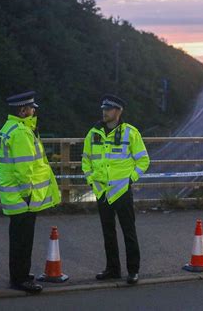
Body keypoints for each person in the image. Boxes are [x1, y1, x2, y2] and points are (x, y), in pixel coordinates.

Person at [0, 91, 61, 293]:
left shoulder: (9, 128)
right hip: (22, 197)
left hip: (13, 195)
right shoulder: (21, 133)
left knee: (18, 239)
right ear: (23, 110)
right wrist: (28, 195)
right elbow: (24, 170)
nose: (34, 111)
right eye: (31, 108)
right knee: (22, 241)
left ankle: (20, 274)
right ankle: (21, 279)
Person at [82, 94, 150, 284]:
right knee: (108, 233)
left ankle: (133, 271)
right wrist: (91, 181)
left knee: (129, 232)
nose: (104, 112)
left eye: (108, 109)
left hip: (121, 191)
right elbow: (86, 160)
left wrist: (130, 179)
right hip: (102, 191)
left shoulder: (130, 132)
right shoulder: (93, 133)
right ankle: (112, 269)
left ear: (118, 111)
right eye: (103, 109)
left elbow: (143, 160)